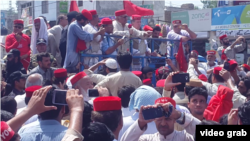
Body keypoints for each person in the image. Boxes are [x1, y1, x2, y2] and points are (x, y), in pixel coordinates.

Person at [120, 101, 200, 141]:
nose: (163, 123)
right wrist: (141, 123)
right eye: (159, 119)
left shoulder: (185, 137)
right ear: (154, 120)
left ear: (174, 120)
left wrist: (179, 115)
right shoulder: (147, 139)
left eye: (168, 119)